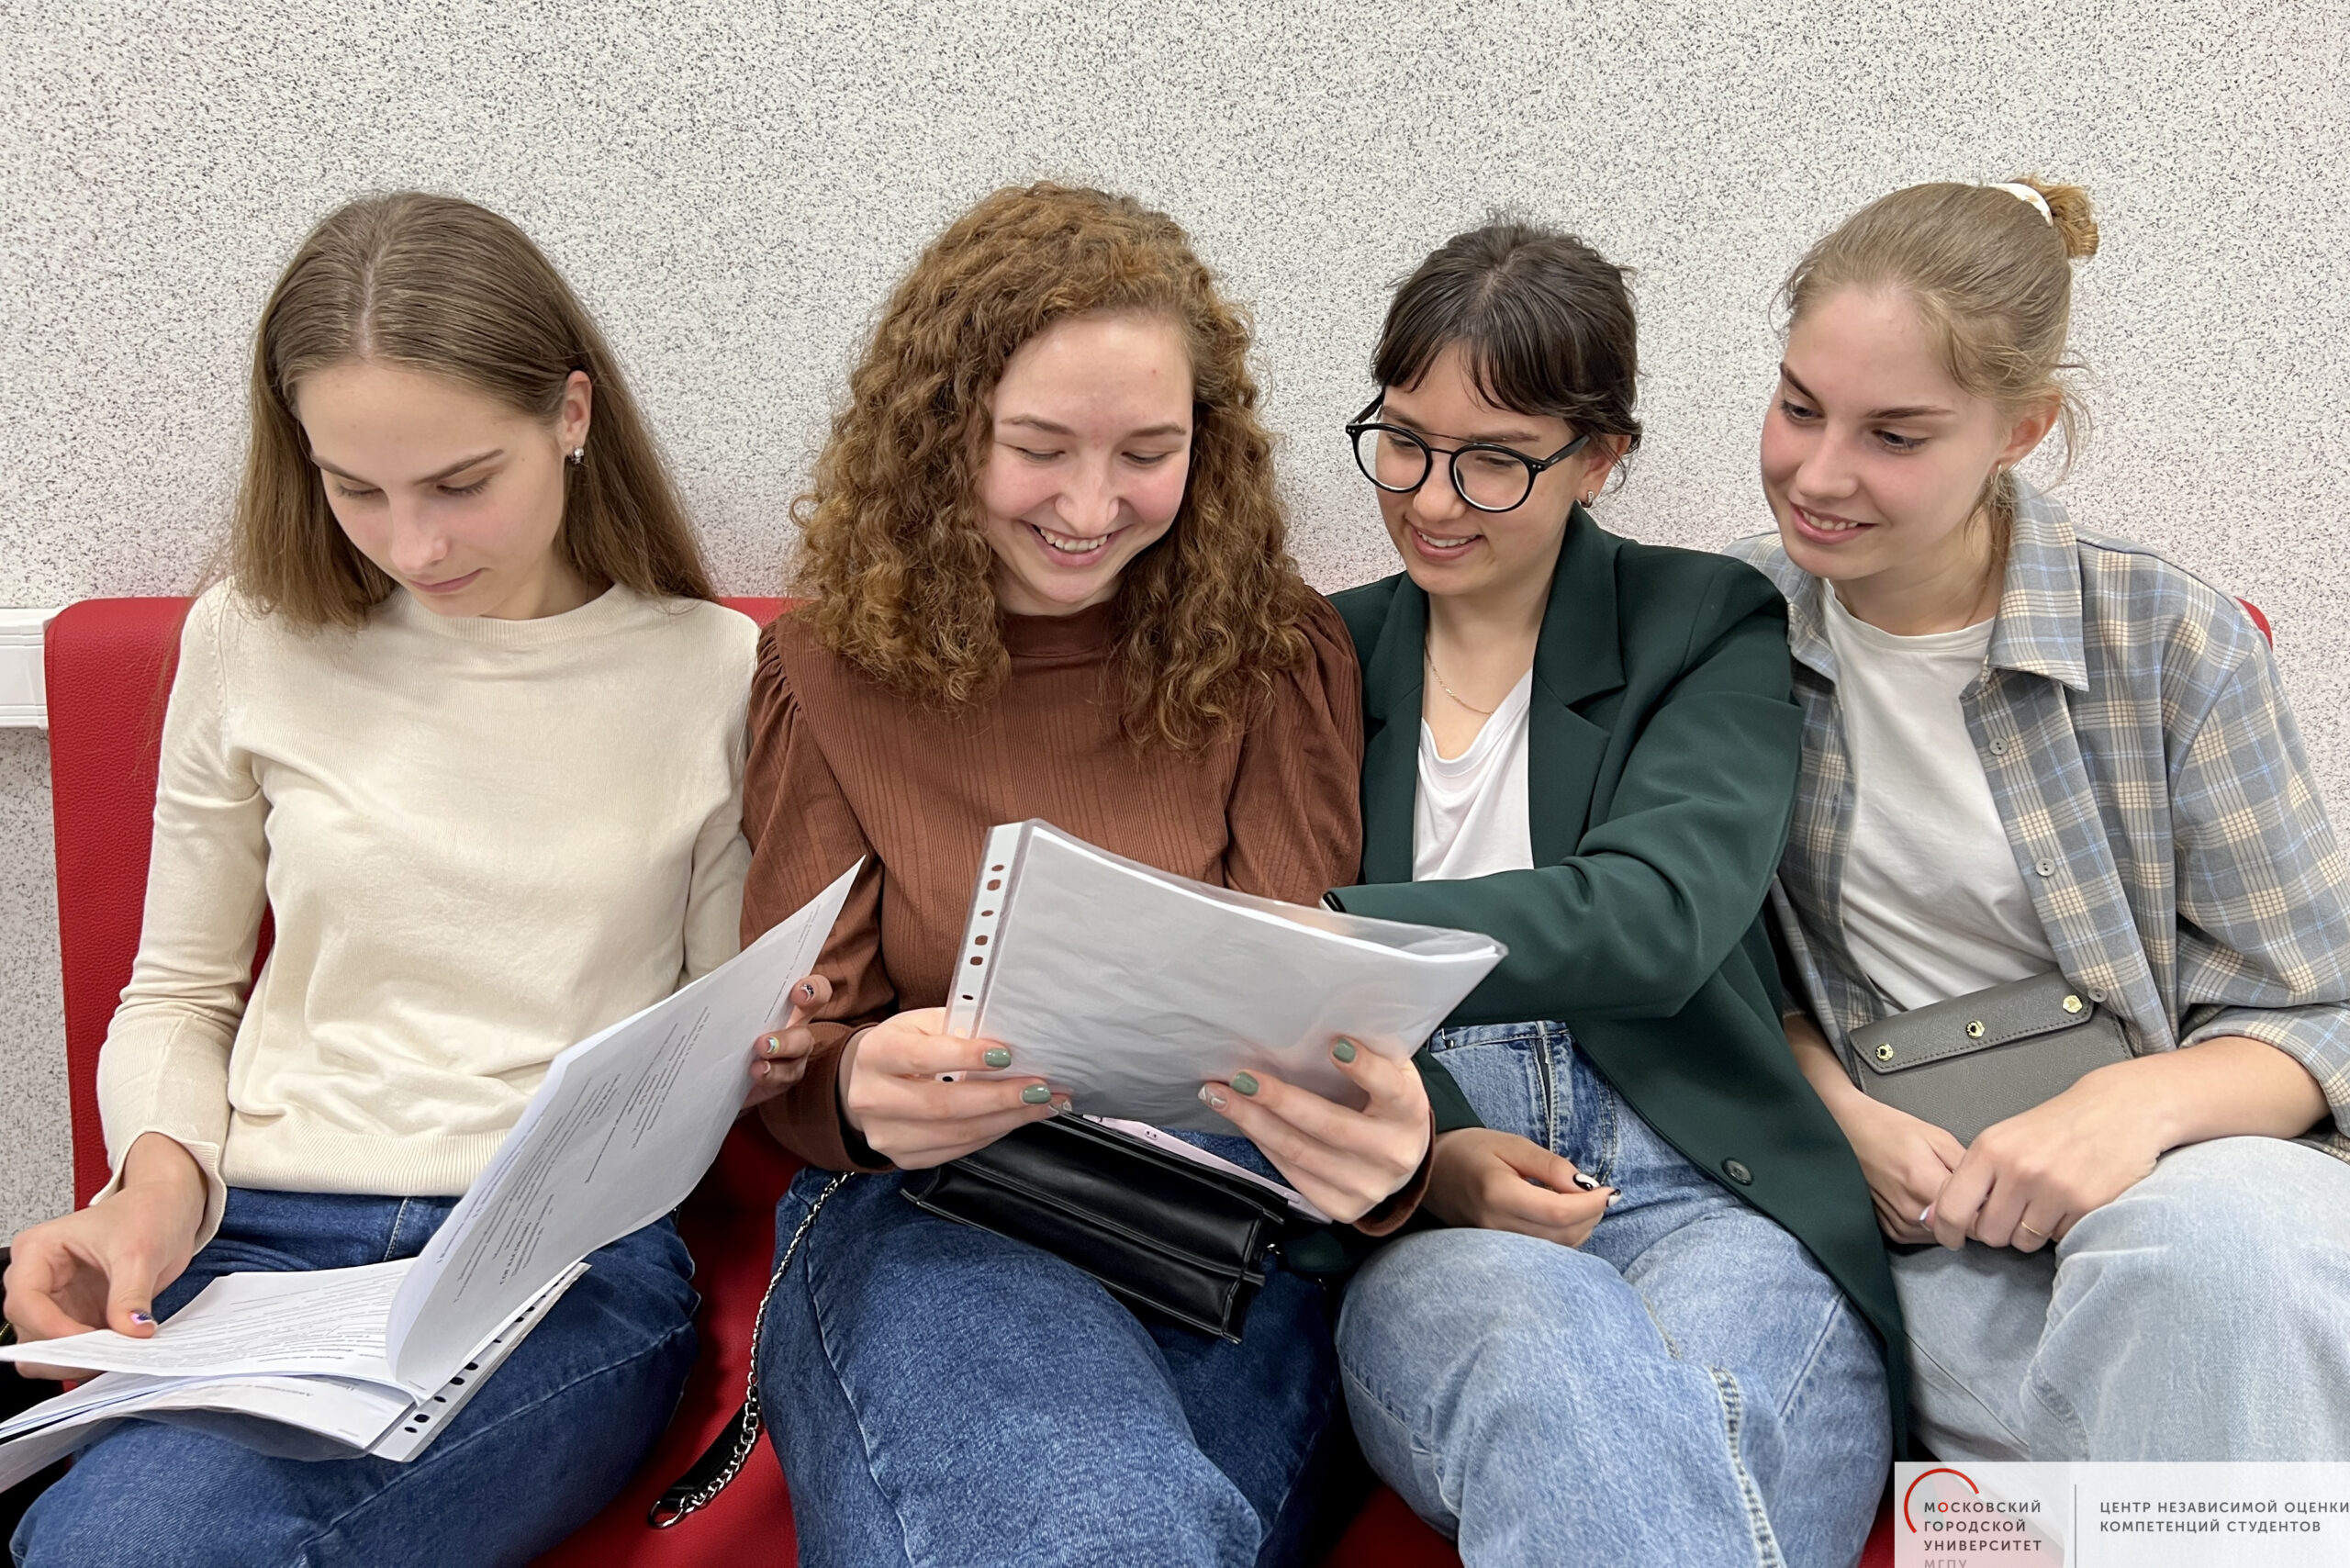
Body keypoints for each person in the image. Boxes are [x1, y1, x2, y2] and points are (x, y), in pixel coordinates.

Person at [3, 193, 781, 1566]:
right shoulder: (251, 637)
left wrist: (789, 1039)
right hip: (256, 1240)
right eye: (354, 489)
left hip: (553, 1267)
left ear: (572, 414)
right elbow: (178, 991)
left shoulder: (712, 671)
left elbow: (717, 1035)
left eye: (461, 483)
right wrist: (155, 1183)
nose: (415, 546)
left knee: (130, 1550)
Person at [733, 183, 1432, 1568]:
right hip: (933, 1212)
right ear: (944, 433)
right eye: (1040, 449)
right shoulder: (823, 674)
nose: (1092, 506)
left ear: (1205, 450)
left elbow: (1306, 1010)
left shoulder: (1274, 654)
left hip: (1214, 1234)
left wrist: (1376, 1143)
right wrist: (855, 1085)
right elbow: (800, 1054)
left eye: (1147, 453)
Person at [1733, 175, 2350, 1461]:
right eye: (1798, 407)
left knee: (2218, 1261)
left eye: (1896, 435)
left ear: (2022, 430)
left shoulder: (2171, 642)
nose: (1820, 473)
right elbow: (1700, 968)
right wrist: (1835, 1106)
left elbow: (2323, 1006)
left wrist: (2135, 1109)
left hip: (2187, 1193)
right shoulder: (1722, 634)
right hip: (1930, 1239)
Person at [1323, 223, 1896, 1568]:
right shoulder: (1319, 656)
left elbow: (1660, 915)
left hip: (1707, 1175)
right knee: (1549, 1365)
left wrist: (1341, 931)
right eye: (1404, 441)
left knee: (1714, 1417)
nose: (1434, 498)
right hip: (1439, 1184)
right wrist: (1440, 1151)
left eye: (1496, 459)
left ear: (1600, 457)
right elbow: (1296, 1007)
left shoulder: (1703, 620)